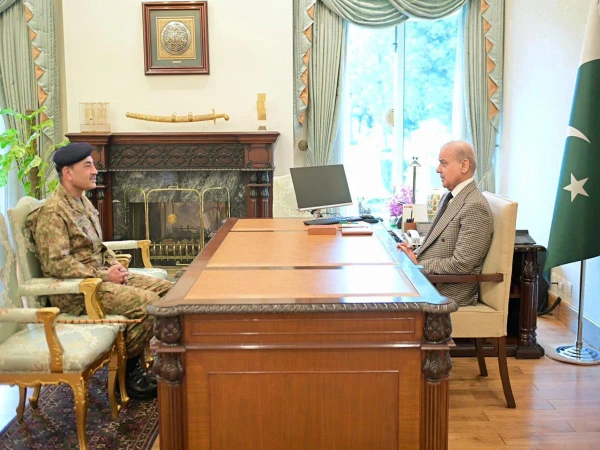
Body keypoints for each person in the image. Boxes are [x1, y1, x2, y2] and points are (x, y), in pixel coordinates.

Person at [26, 142, 173, 400]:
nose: (95, 170)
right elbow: (56, 264)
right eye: (88, 166)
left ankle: (141, 360)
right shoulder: (52, 212)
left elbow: (98, 247)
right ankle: (126, 375)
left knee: (173, 293)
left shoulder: (82, 201)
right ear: (68, 173)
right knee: (150, 304)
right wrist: (105, 275)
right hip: (78, 291)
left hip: (101, 278)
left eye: (93, 164)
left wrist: (114, 264)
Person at [398, 141, 493, 307]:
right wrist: (413, 253)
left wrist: (418, 265)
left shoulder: (475, 206)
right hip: (427, 282)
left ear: (464, 166)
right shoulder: (448, 197)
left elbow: (462, 264)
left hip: (445, 292)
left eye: (444, 163)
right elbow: (435, 243)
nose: (438, 169)